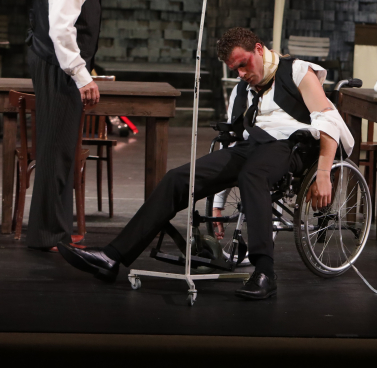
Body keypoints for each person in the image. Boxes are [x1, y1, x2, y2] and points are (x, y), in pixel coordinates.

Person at [58, 27, 354, 301]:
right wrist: (217, 204)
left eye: (244, 64)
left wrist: (323, 173)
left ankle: (265, 271)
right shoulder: (242, 91)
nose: (241, 74)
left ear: (259, 49)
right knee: (177, 178)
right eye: (235, 69)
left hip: (292, 145)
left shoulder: (298, 71)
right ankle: (112, 257)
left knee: (252, 175)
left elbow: (328, 120)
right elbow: (233, 142)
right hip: (252, 147)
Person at [25, 0, 127, 251]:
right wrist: (82, 76)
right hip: (56, 65)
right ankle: (49, 235)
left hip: (55, 63)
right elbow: (61, 29)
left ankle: (52, 231)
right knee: (57, 150)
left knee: (60, 149)